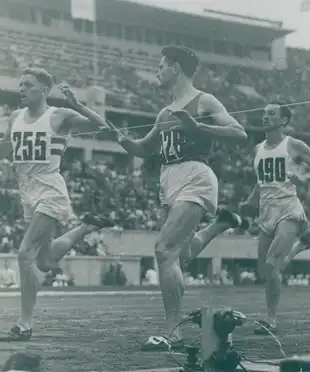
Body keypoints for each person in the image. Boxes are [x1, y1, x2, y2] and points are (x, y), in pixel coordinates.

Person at [109, 45, 249, 351]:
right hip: (168, 180)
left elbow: (239, 133)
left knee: (163, 251)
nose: (157, 71)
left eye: (161, 66)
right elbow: (144, 149)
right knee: (178, 257)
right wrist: (118, 137)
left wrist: (198, 126)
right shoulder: (164, 112)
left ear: (176, 69)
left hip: (195, 175)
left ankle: (172, 331)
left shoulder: (204, 100)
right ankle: (218, 226)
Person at [0, 68, 114, 341]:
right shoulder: (16, 117)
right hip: (26, 188)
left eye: (27, 85)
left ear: (44, 90)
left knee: (24, 254)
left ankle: (24, 325)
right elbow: (1, 151)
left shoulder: (58, 116)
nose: (21, 89)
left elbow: (103, 127)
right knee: (45, 260)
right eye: (20, 84)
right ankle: (85, 227)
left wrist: (76, 104)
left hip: (49, 187)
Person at [242, 101, 310, 334]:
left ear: (283, 120)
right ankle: (297, 249)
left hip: (288, 209)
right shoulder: (257, 149)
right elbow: (261, 181)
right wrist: (249, 202)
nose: (265, 117)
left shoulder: (293, 145)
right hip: (266, 210)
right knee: (265, 271)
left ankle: (270, 320)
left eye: (271, 113)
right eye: (263, 113)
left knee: (273, 263)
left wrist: (304, 179)